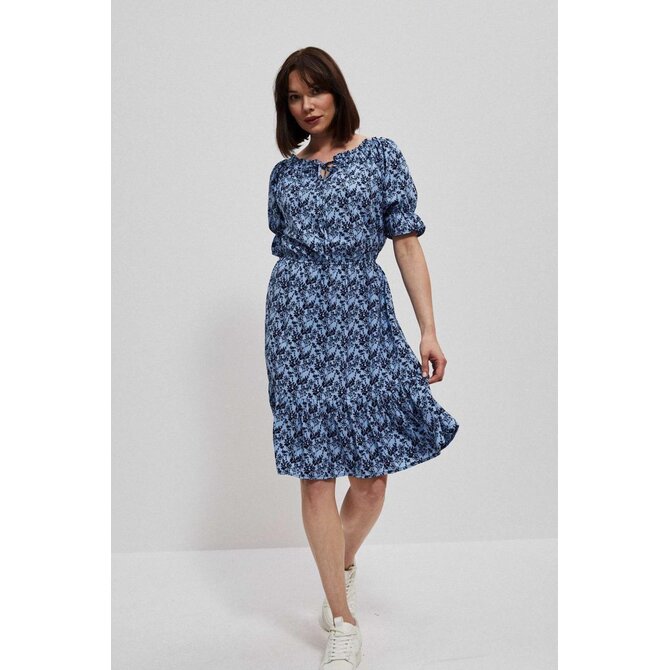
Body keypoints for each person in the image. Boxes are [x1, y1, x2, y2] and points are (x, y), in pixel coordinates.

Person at [265, 46, 460, 669]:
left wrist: (428, 330)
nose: (307, 106)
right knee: (316, 470)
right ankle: (342, 622)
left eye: (314, 91)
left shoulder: (380, 155)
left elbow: (406, 244)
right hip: (296, 324)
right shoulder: (285, 175)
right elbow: (285, 246)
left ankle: (339, 568)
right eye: (294, 98)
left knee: (370, 481)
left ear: (337, 91)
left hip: (365, 319)